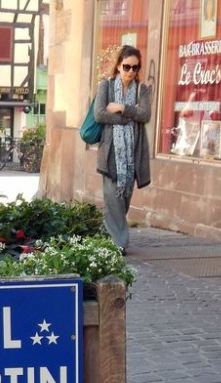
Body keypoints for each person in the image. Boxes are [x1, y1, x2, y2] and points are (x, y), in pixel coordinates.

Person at [94, 44, 152, 253]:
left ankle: (106, 235)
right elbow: (99, 114)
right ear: (118, 65)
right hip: (111, 154)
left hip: (132, 156)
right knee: (113, 200)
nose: (130, 71)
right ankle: (119, 244)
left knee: (123, 201)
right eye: (126, 66)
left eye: (135, 68)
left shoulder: (142, 89)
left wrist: (120, 108)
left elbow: (145, 114)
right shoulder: (106, 87)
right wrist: (128, 116)